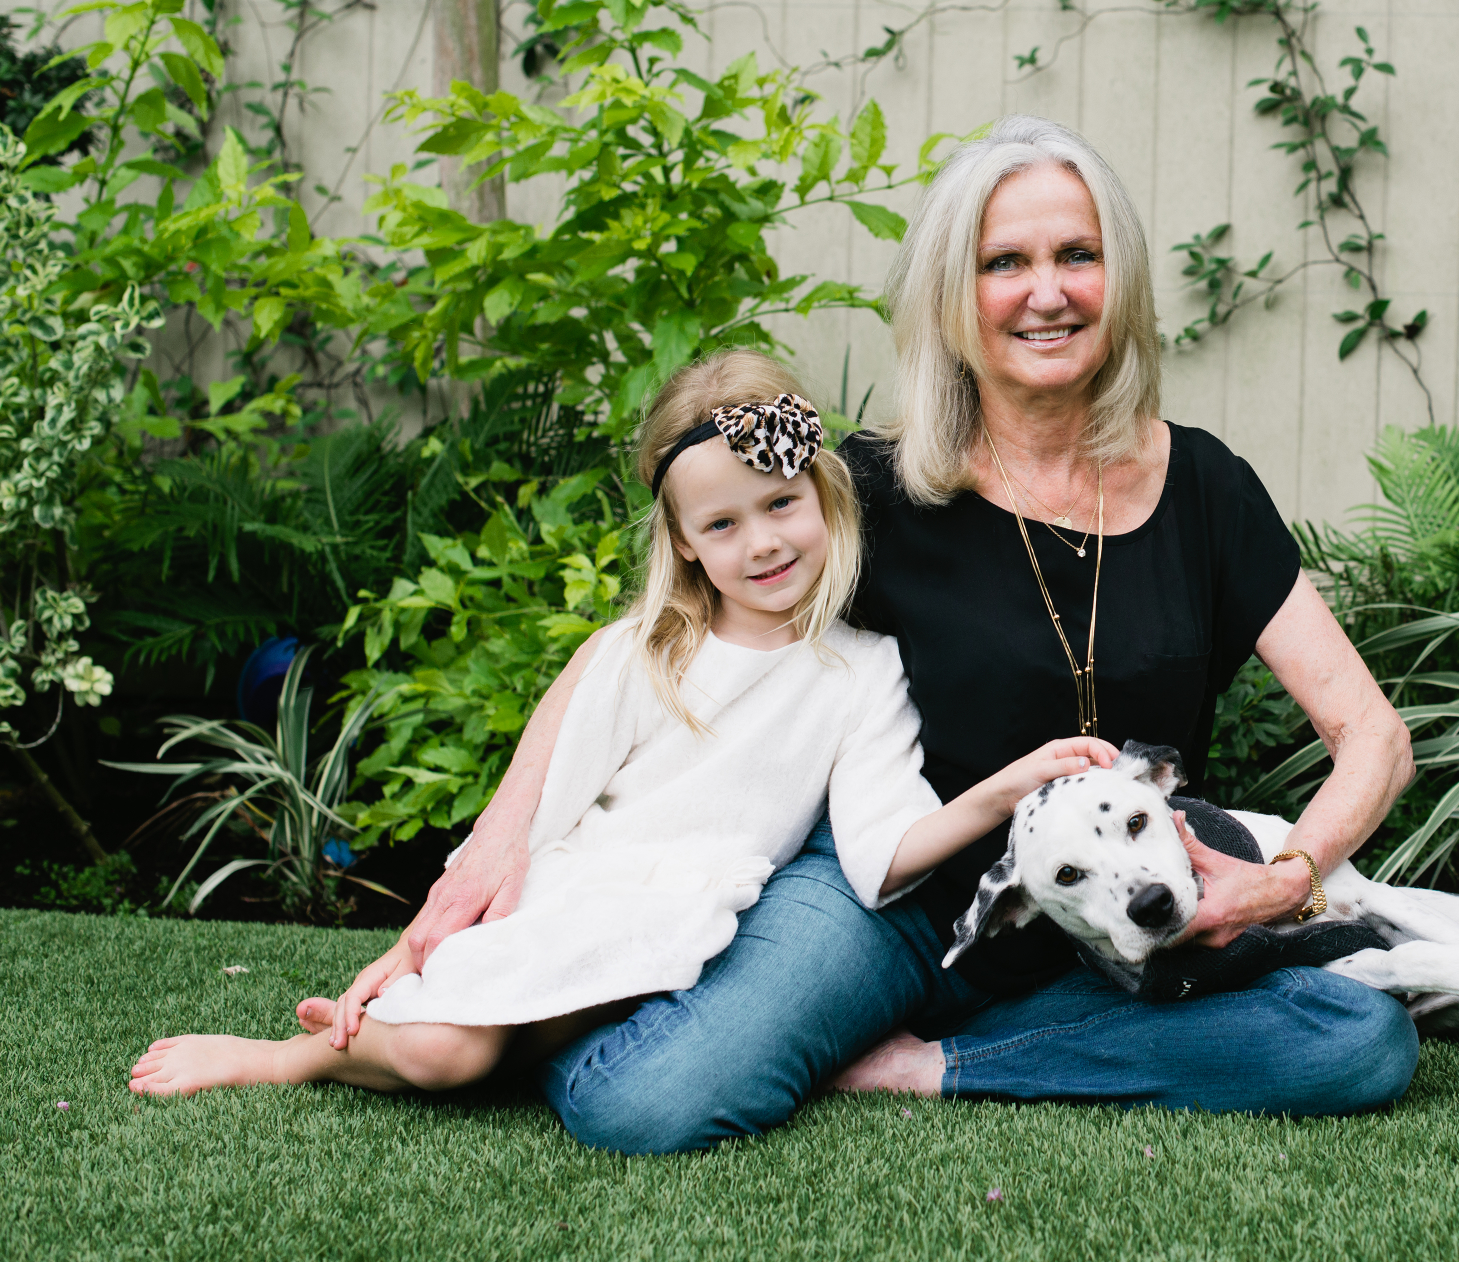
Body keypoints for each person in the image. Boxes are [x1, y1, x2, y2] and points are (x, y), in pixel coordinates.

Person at [312, 115, 1421, 1153]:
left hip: (1109, 907)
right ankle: (587, 1022)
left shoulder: (1204, 490)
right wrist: (500, 844)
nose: (1045, 294)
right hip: (883, 899)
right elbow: (645, 635)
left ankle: (936, 1065)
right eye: (1003, 264)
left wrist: (1279, 880)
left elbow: (1369, 733)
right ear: (953, 300)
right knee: (642, 1097)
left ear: (1117, 280)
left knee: (1357, 1043)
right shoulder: (873, 491)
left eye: (1075, 256)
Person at [126, 351, 1118, 1098]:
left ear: (821, 495)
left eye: (779, 505)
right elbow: (535, 823)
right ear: (684, 545)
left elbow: (877, 854)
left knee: (483, 1052)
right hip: (582, 893)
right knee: (442, 1049)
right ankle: (293, 1059)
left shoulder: (861, 672)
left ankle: (487, 1047)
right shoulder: (649, 651)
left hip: (690, 922)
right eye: (721, 525)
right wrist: (415, 945)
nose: (761, 542)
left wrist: (1002, 787)